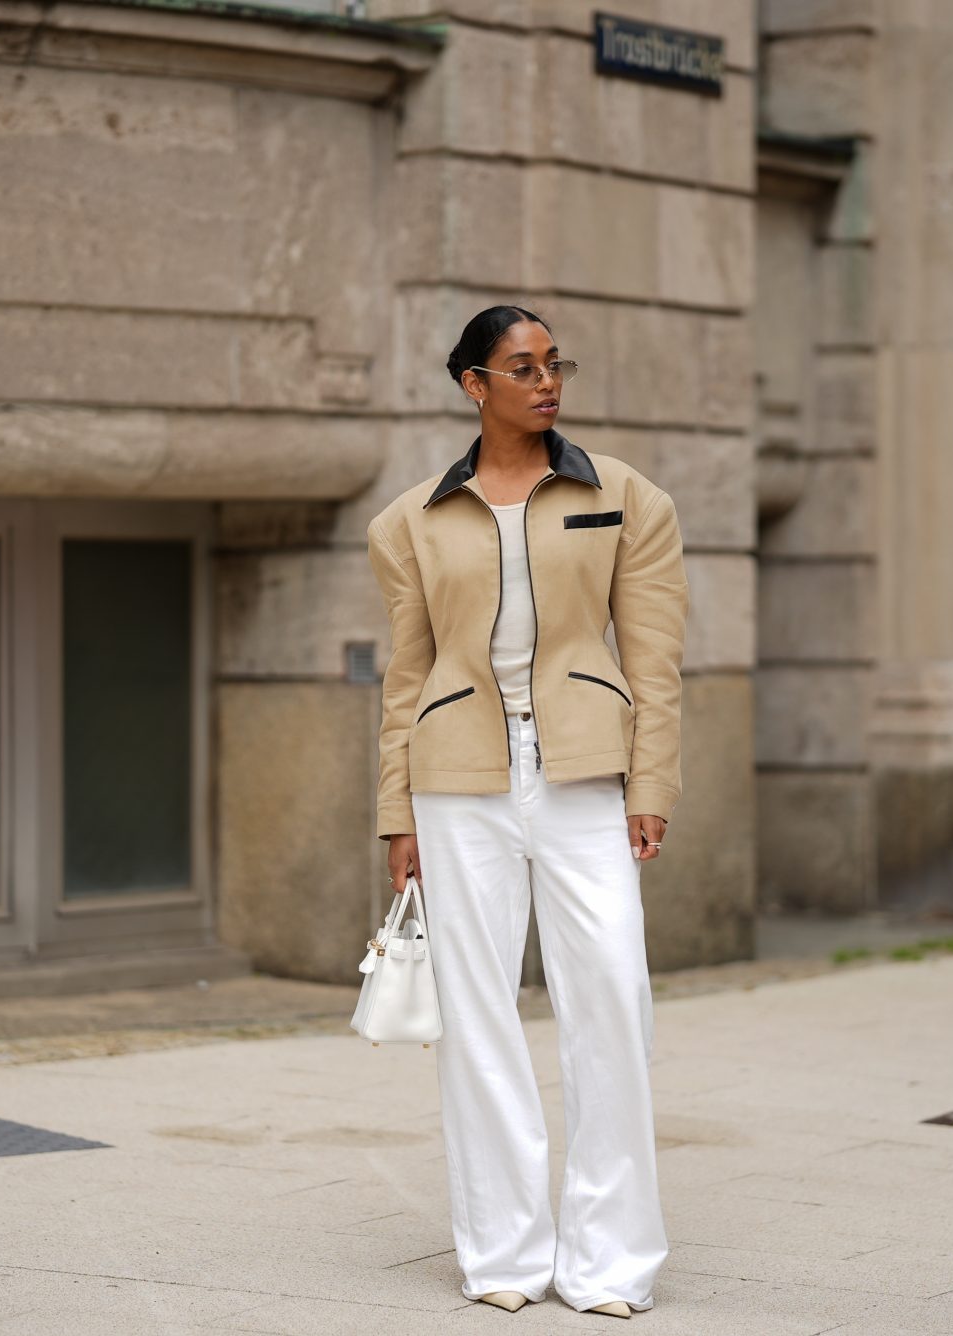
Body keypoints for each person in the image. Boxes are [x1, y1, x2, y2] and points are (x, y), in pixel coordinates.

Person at [365, 304, 689, 1318]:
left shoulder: (625, 496)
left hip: (585, 773)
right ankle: (503, 1254)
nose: (545, 381)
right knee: (478, 1021)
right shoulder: (407, 522)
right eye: (521, 366)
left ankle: (609, 1262)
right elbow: (404, 675)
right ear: (473, 384)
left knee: (610, 1003)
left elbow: (655, 659)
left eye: (553, 364)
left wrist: (653, 781)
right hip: (456, 779)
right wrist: (394, 812)